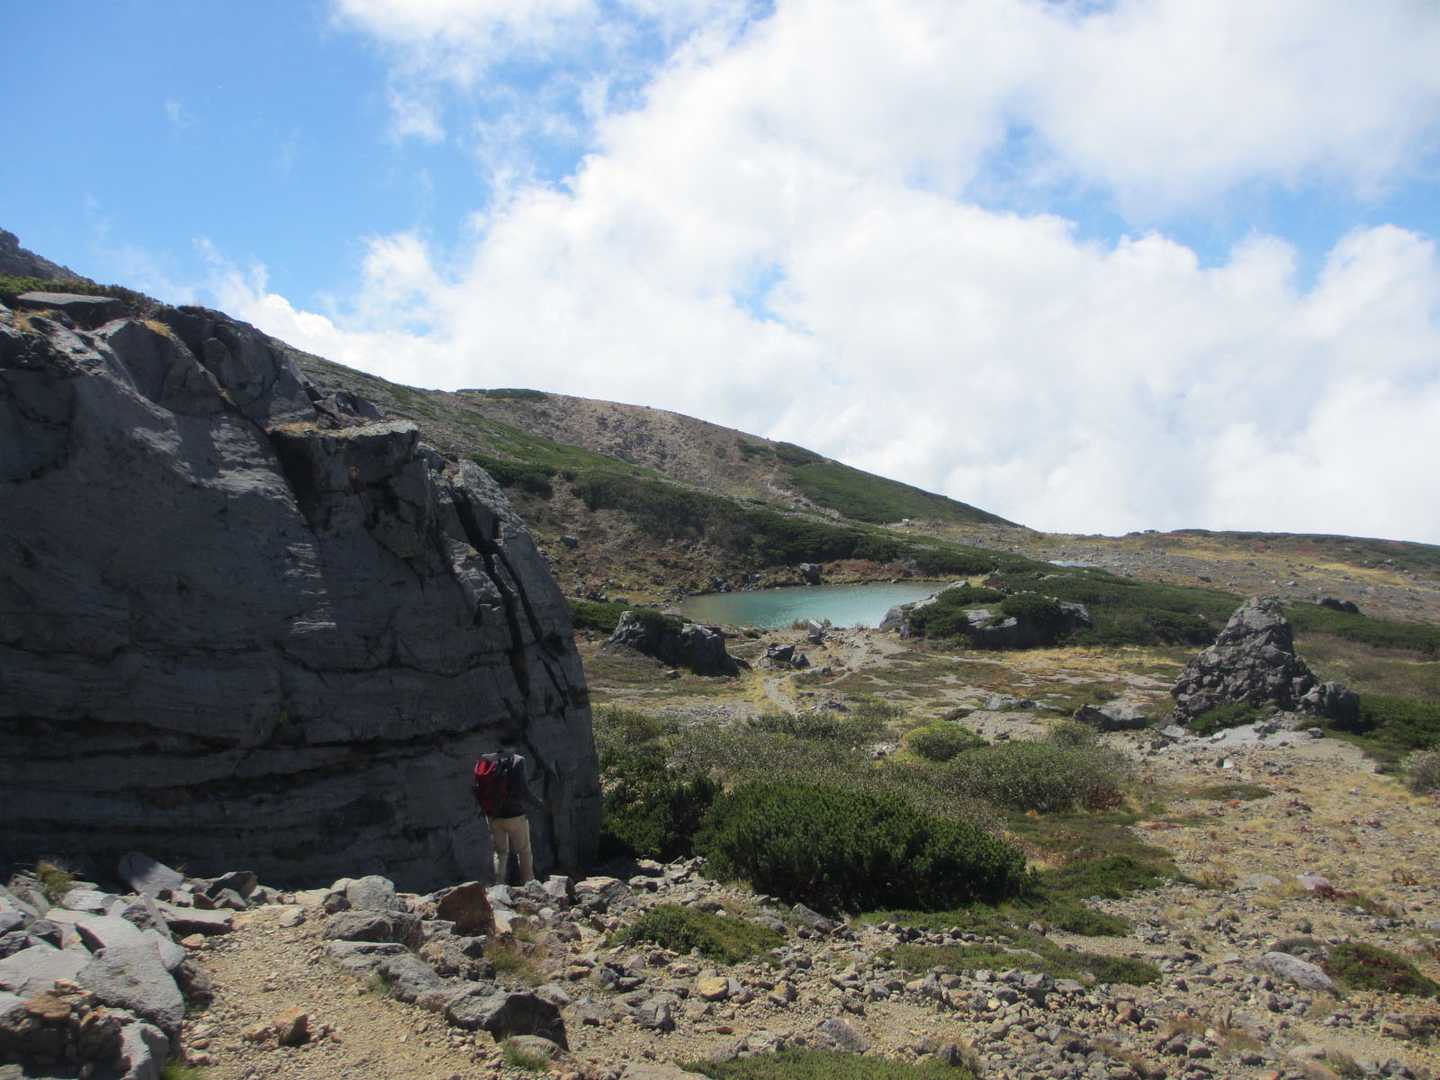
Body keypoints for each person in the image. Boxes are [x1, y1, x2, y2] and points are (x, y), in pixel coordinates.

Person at [472, 749, 535, 884]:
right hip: (515, 815)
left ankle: (498, 884)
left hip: (493, 816)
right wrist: (538, 804)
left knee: (500, 853)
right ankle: (530, 884)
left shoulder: (487, 760)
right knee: (524, 851)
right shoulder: (518, 760)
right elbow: (523, 790)